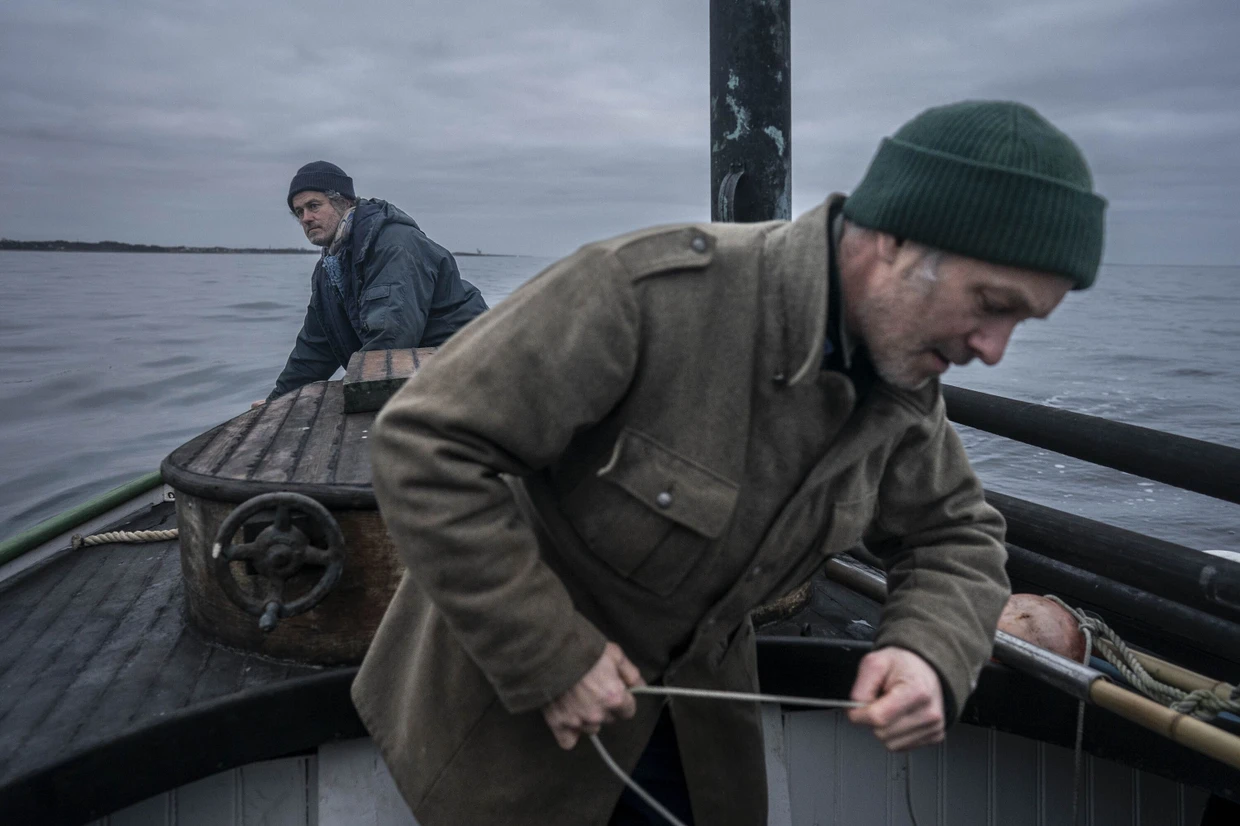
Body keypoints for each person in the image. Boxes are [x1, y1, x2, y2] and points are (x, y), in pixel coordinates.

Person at [353, 101, 1107, 825]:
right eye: (992, 304)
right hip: (510, 721)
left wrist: (926, 651)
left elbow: (955, 535)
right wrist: (546, 653)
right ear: (897, 242)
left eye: (1022, 321)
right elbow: (425, 442)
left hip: (699, 731)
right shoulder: (641, 295)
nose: (994, 350)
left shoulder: (900, 383)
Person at [260, 161, 487, 403]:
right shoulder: (329, 267)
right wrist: (276, 400)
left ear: (343, 201)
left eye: (313, 206)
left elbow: (390, 338)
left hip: (471, 370)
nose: (306, 218)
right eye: (299, 212)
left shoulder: (393, 245)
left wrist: (355, 394)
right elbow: (315, 347)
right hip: (422, 376)